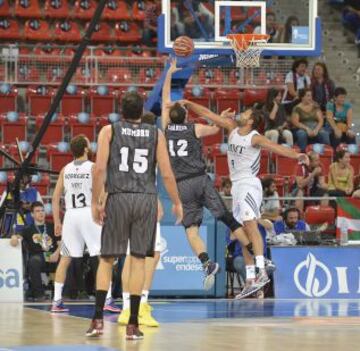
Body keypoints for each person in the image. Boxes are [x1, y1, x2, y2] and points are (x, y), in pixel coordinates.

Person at [178, 99, 308, 299]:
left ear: (251, 121)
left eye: (245, 113)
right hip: (237, 186)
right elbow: (208, 114)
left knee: (250, 224)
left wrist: (297, 156)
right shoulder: (231, 128)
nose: (241, 114)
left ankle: (262, 270)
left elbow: (276, 148)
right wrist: (188, 103)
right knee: (241, 232)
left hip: (249, 184)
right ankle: (250, 280)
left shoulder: (255, 138)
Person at [86, 92, 183, 340]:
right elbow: (167, 173)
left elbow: (98, 170)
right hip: (145, 199)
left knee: (107, 259)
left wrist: (97, 201)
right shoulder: (156, 133)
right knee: (139, 260)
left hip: (118, 196)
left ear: (122, 110)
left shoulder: (109, 131)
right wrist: (176, 202)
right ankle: (132, 324)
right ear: (142, 110)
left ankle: (97, 320)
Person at [162, 59, 253, 291]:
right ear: (185, 116)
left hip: (182, 185)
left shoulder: (166, 129)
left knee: (191, 230)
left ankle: (206, 263)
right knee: (227, 219)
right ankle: (256, 255)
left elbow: (164, 103)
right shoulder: (194, 128)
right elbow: (217, 127)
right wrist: (220, 115)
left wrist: (169, 74)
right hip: (200, 179)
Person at [51, 135, 119, 313]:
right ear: (86, 149)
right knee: (103, 257)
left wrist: (57, 221)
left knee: (65, 259)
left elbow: (56, 197)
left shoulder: (65, 169)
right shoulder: (93, 167)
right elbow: (103, 194)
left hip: (71, 215)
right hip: (89, 213)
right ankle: (107, 299)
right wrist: (102, 208)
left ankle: (56, 300)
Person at [118, 112, 162, 328]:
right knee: (149, 255)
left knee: (129, 256)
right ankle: (141, 305)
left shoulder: (123, 139)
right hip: (144, 201)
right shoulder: (154, 140)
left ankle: (126, 308)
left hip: (124, 200)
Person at [10, 201, 60, 301]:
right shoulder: (28, 229)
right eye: (37, 211)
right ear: (32, 214)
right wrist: (14, 237)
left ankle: (65, 294)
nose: (41, 213)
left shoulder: (52, 226)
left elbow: (61, 243)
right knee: (34, 261)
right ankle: (39, 295)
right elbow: (16, 237)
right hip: (38, 258)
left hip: (53, 256)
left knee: (67, 260)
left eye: (42, 210)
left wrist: (56, 254)